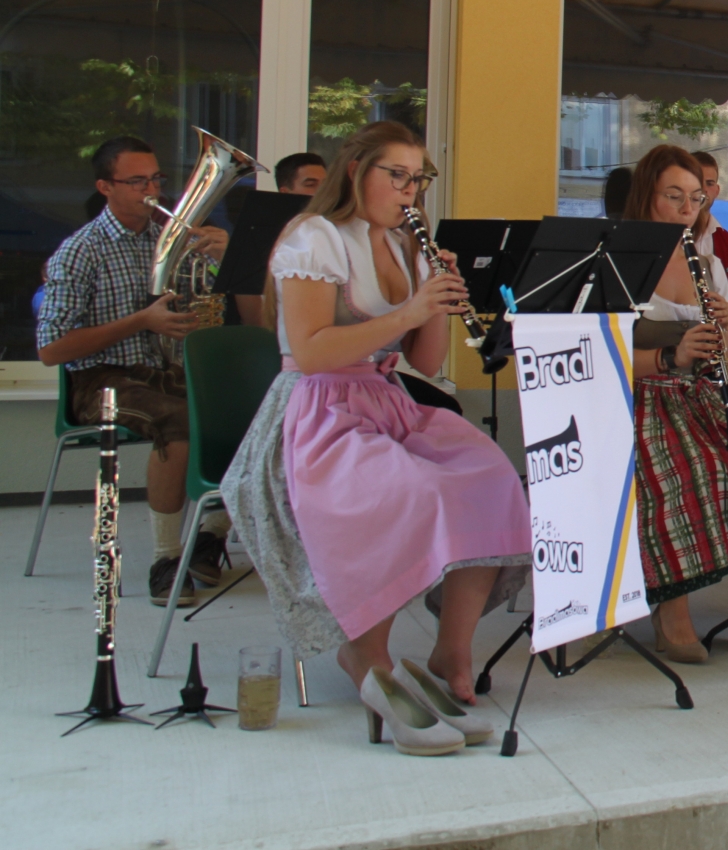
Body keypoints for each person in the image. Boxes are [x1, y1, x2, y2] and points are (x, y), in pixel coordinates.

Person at [220, 121, 531, 753]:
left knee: (490, 478)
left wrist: (436, 300)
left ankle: (451, 652)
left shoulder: (402, 244)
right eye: (398, 176)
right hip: (315, 409)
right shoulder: (314, 237)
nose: (410, 191)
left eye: (418, 179)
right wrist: (410, 308)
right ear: (357, 170)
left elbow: (423, 358)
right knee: (405, 492)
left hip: (384, 399)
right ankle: (368, 659)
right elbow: (311, 353)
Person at [38, 135, 230, 608]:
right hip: (99, 379)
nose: (152, 191)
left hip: (162, 369)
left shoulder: (173, 241)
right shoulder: (80, 250)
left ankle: (209, 535)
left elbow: (222, 304)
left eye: (156, 179)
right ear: (105, 186)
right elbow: (51, 349)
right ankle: (166, 559)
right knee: (179, 424)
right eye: (137, 181)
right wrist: (142, 321)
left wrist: (224, 258)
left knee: (250, 413)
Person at [625, 144, 728, 662]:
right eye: (673, 195)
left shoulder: (709, 263)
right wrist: (668, 356)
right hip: (638, 397)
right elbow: (594, 354)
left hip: (701, 396)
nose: (686, 208)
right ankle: (671, 608)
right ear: (646, 197)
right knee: (689, 470)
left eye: (696, 197)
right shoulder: (622, 261)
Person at [692, 150, 728, 311]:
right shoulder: (671, 236)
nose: (704, 189)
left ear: (717, 190)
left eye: (709, 183)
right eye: (697, 181)